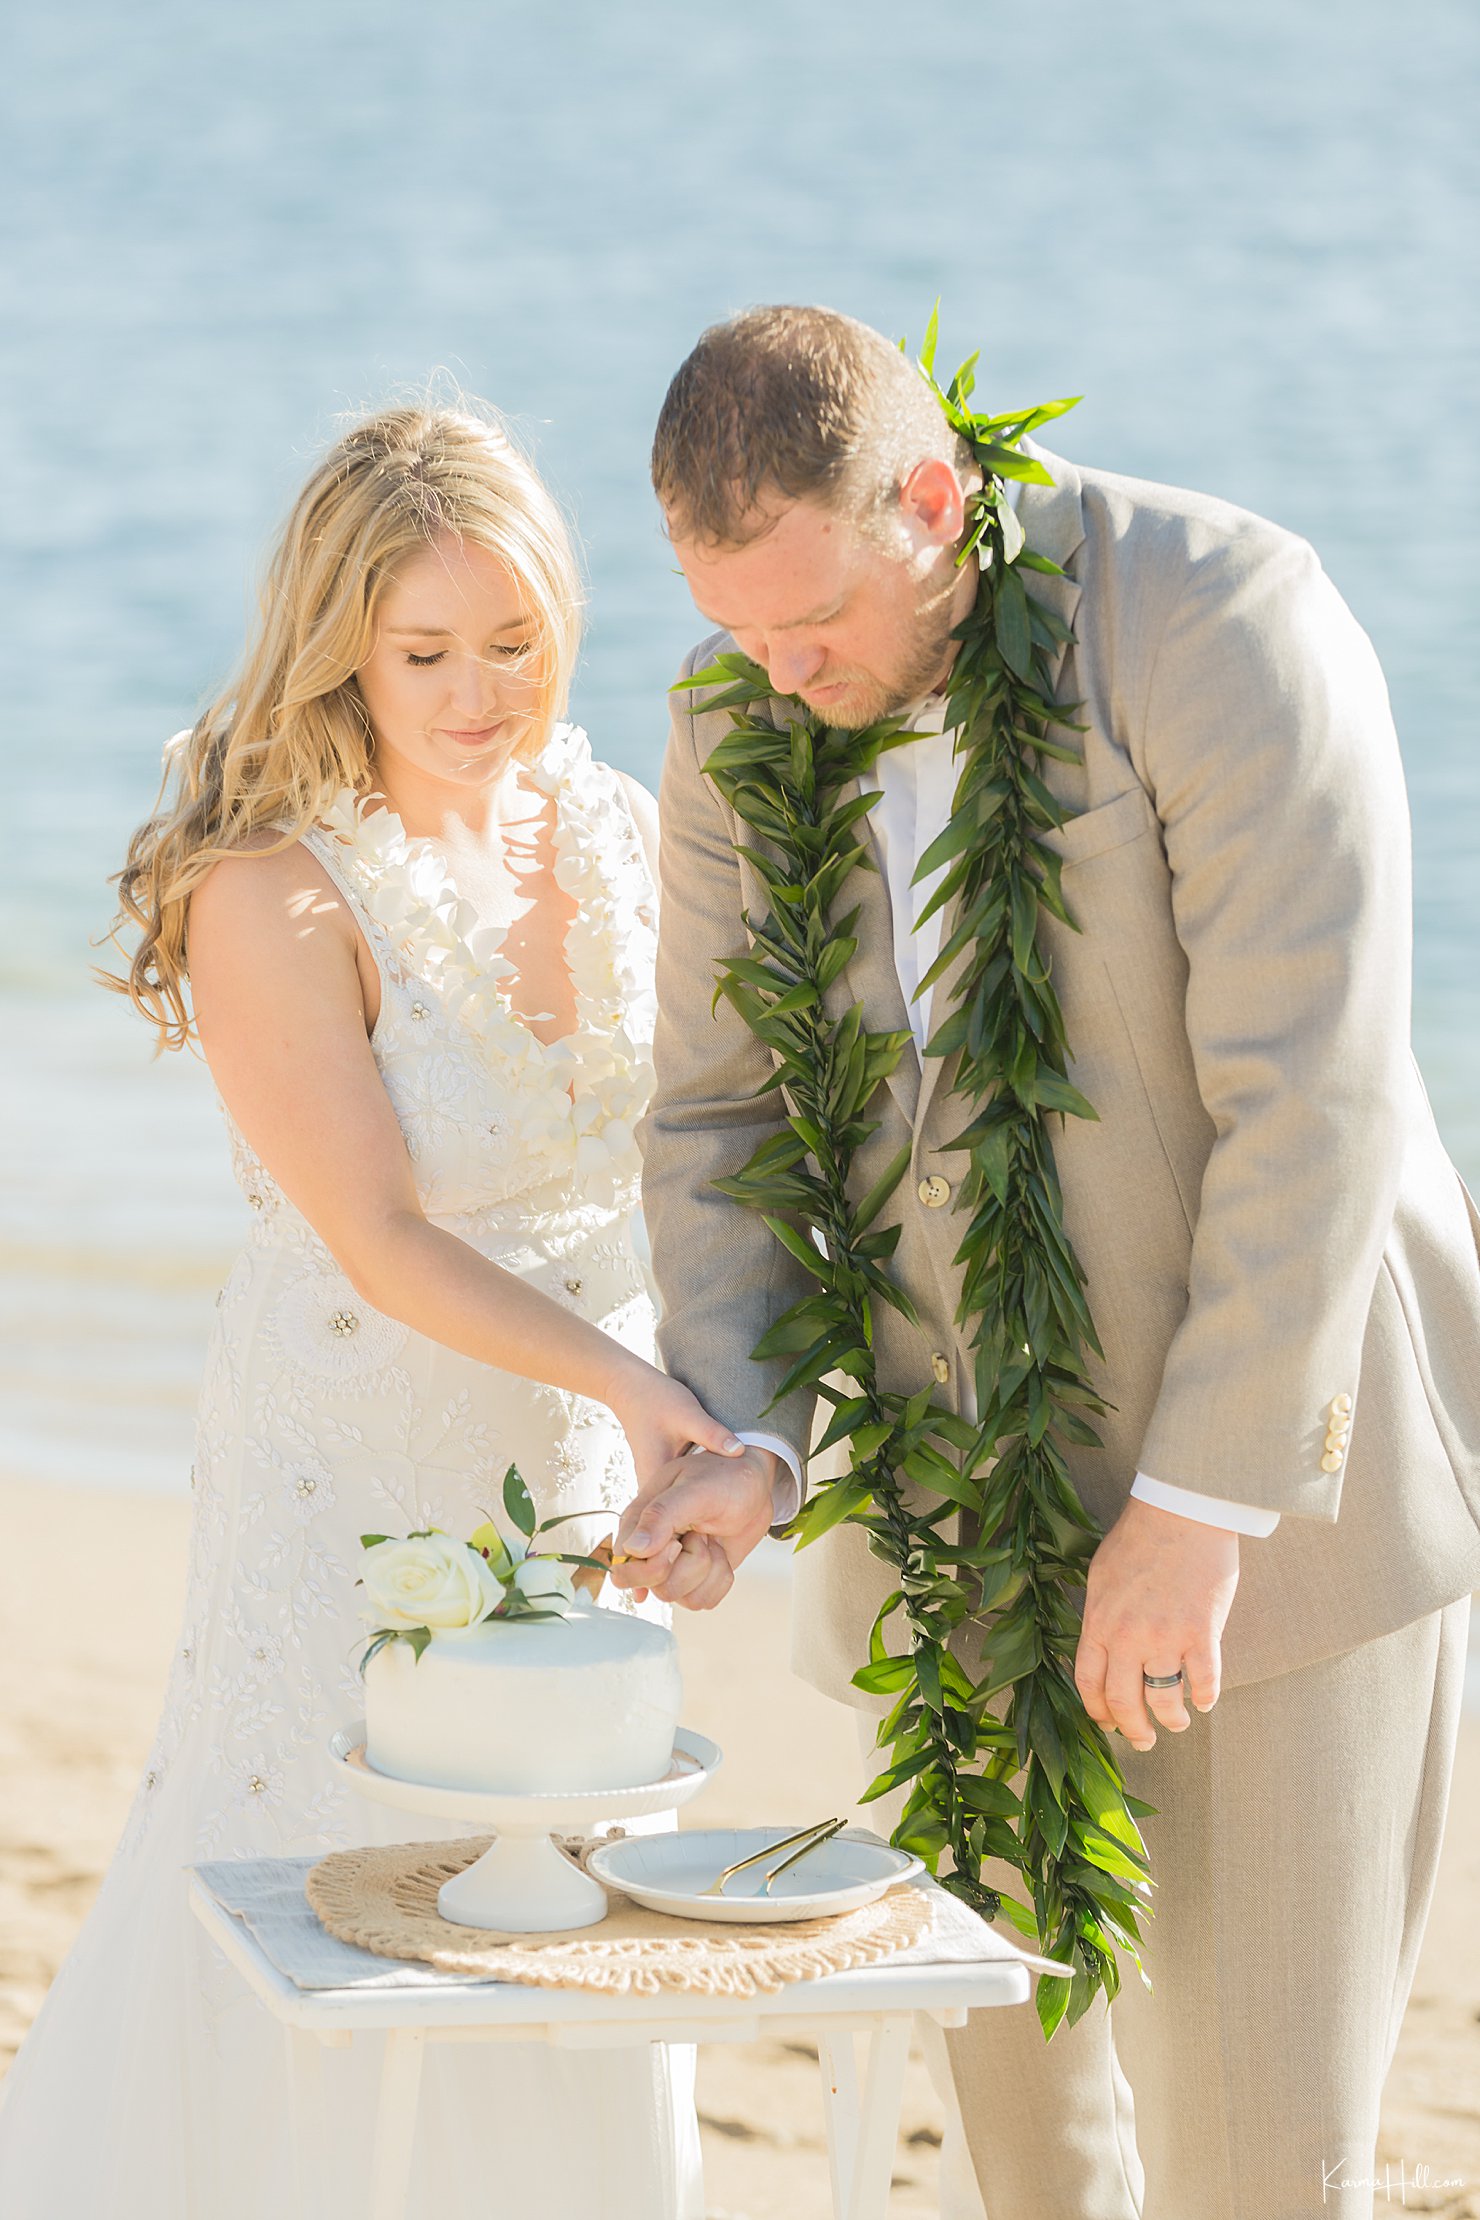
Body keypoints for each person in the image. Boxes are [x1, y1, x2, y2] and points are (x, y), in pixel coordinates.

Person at [615, 305, 1480, 2219]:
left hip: (1276, 1512)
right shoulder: (733, 713)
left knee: (1264, 2153)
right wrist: (746, 1434)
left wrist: (1202, 1498)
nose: (779, 667)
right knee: (1030, 2152)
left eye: (814, 618)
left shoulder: (1220, 616)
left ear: (934, 500)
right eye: (739, 623)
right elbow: (719, 1123)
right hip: (955, 1527)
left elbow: (1315, 1098)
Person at [0, 400, 739, 2219]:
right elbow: (383, 1237)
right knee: (327, 1872)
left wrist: (706, 1431)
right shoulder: (269, 891)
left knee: (564, 1884)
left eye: (519, 644)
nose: (483, 693)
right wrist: (650, 1400)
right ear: (341, 642)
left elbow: (698, 1149)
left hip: (581, 1463)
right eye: (427, 652)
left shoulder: (613, 820)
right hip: (351, 1466)